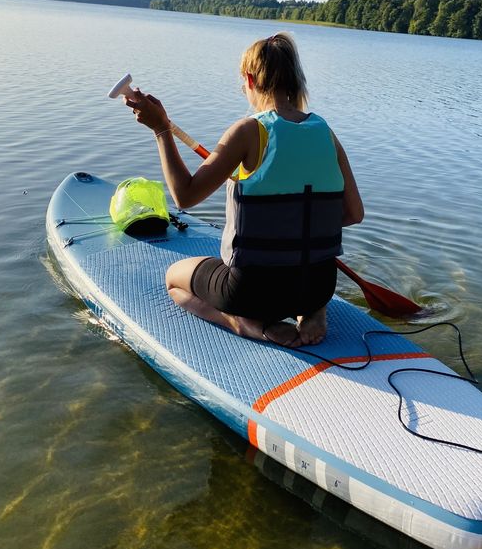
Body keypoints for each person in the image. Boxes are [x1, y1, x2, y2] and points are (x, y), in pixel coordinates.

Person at [125, 32, 364, 348]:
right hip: (319, 286)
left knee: (174, 278)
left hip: (252, 293)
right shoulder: (326, 133)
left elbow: (184, 196)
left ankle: (242, 322)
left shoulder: (249, 131)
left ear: (250, 80)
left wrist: (161, 129)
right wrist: (296, 230)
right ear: (295, 80)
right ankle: (312, 312)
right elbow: (353, 214)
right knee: (303, 272)